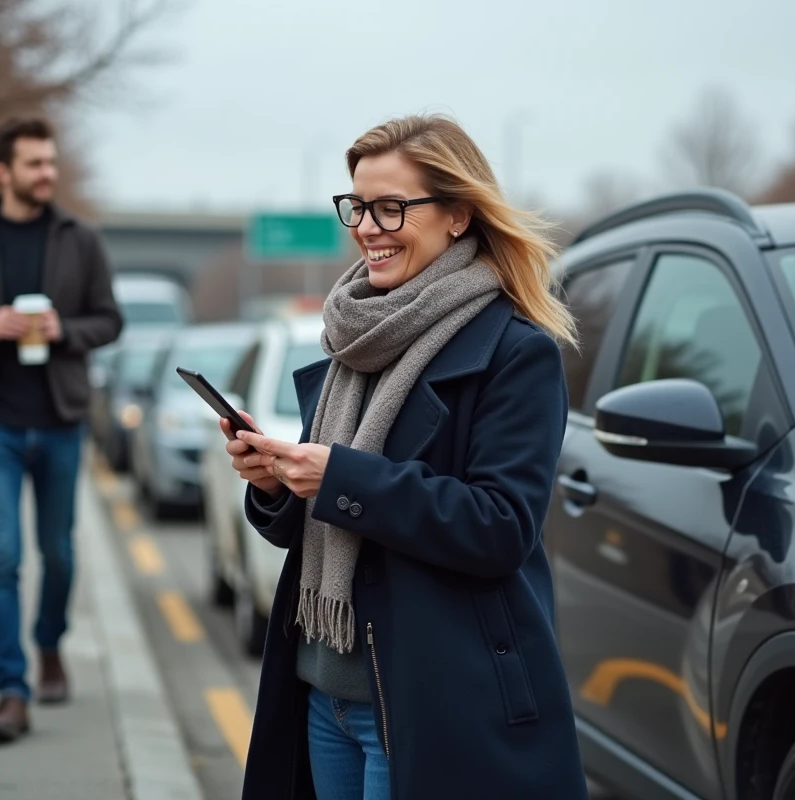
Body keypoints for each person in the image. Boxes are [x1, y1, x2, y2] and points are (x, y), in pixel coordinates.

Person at [224, 114, 589, 799]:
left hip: (429, 704)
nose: (366, 227)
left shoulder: (516, 351)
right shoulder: (353, 339)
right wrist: (274, 485)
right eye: (357, 206)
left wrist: (340, 478)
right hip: (322, 692)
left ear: (456, 215)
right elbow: (312, 526)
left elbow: (501, 526)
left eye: (391, 207)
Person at [0, 116, 123, 744]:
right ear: (2, 172)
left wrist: (67, 330)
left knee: (58, 554)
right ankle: (12, 690)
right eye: (35, 164)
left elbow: (109, 320)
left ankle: (49, 643)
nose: (48, 174)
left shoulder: (79, 240)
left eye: (51, 163)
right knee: (2, 558)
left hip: (61, 422)